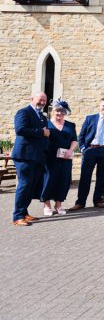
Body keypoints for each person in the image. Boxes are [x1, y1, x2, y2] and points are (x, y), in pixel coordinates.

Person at [70, 98, 104, 212]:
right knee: (85, 176)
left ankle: (98, 200)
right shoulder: (90, 118)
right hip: (91, 150)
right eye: (103, 106)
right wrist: (83, 148)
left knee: (103, 176)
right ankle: (80, 202)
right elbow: (81, 135)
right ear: (99, 106)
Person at [11, 92, 50, 226]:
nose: (42, 102)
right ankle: (17, 217)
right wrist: (41, 132)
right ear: (32, 99)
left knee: (30, 186)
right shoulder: (23, 112)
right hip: (24, 156)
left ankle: (24, 213)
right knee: (24, 184)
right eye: (40, 99)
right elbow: (20, 130)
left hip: (37, 157)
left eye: (44, 100)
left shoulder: (42, 117)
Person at [40, 100, 77, 216]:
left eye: (62, 111)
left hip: (65, 158)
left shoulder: (70, 125)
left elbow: (75, 140)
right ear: (52, 111)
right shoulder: (46, 124)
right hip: (49, 158)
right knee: (48, 180)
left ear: (65, 113)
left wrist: (71, 150)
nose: (59, 113)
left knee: (63, 181)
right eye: (57, 110)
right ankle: (46, 205)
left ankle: (58, 204)